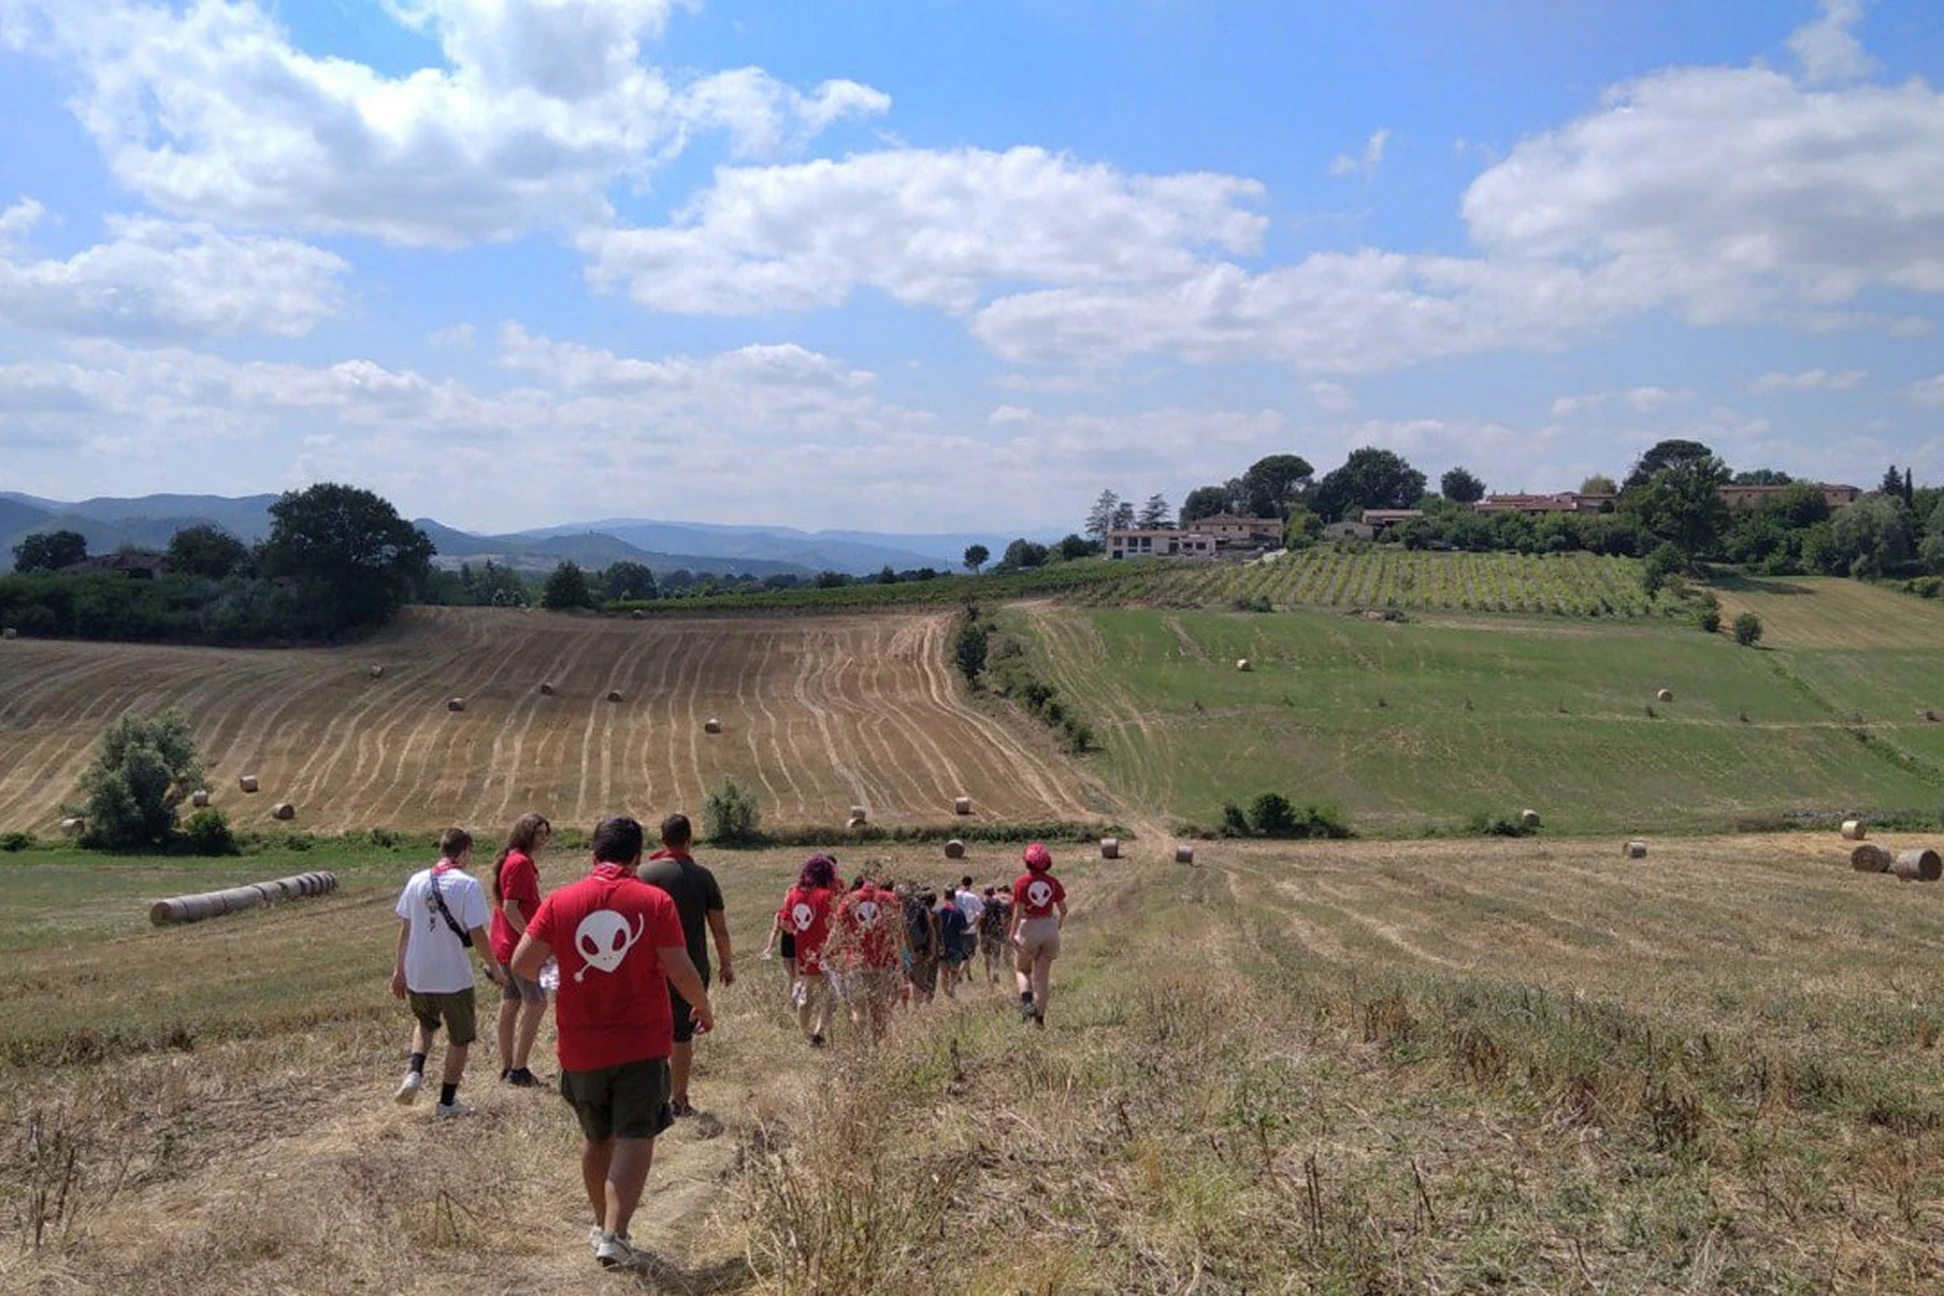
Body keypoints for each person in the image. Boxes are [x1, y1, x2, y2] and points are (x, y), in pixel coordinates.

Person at [511, 816, 715, 1271]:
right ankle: (615, 1235)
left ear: (593, 857)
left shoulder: (561, 901)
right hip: (640, 1041)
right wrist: (702, 1007)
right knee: (636, 1133)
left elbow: (523, 962)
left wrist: (560, 973)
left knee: (597, 1135)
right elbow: (680, 969)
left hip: (580, 1046)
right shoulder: (653, 901)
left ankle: (604, 1227)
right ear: (637, 858)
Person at [391, 827, 507, 1117]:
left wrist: (399, 970)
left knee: (425, 1023)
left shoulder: (416, 880)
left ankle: (414, 1072)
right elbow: (477, 933)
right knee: (460, 1038)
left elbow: (405, 931)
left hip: (418, 971)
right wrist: (494, 967)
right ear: (464, 851)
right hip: (453, 975)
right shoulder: (467, 885)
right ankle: (447, 1102)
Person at [636, 813, 732, 1117]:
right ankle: (678, 1099)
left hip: (648, 966)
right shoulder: (703, 876)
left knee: (648, 1030)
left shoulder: (642, 874)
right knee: (682, 1033)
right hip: (691, 966)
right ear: (689, 840)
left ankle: (649, 1096)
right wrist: (726, 965)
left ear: (662, 839)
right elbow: (719, 929)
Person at [489, 812, 553, 1087]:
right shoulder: (520, 864)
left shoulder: (512, 860)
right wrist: (532, 939)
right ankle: (519, 1068)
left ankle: (507, 1067)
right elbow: (510, 907)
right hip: (518, 947)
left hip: (504, 945)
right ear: (527, 834)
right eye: (540, 833)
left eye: (546, 834)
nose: (544, 839)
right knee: (536, 1002)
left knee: (511, 1003)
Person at [777, 854, 840, 1045]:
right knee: (830, 995)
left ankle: (805, 1034)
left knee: (806, 994)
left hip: (803, 952)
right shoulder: (828, 896)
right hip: (826, 953)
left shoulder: (794, 894)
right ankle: (818, 1033)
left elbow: (785, 924)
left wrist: (800, 930)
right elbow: (836, 925)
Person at [832, 871, 903, 1040]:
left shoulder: (849, 899)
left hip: (856, 962)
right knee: (879, 1009)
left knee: (858, 1008)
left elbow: (837, 930)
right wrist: (900, 961)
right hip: (882, 962)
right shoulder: (890, 899)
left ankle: (859, 1048)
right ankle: (877, 1047)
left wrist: (827, 952)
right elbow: (898, 933)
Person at [1009, 842, 1068, 1029]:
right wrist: (1057, 925)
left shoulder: (1021, 883)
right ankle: (1040, 1022)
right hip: (1049, 926)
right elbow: (1064, 910)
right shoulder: (1053, 882)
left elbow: (1018, 913)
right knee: (1042, 979)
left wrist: (1012, 935)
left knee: (1022, 970)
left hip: (1030, 927)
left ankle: (1027, 1003)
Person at [902, 887, 940, 1004]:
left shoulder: (914, 910)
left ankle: (913, 1009)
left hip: (913, 950)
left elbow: (930, 930)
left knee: (913, 981)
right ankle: (915, 1008)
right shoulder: (920, 909)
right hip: (915, 950)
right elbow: (932, 930)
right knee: (915, 981)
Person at [935, 888, 972, 999]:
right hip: (956, 946)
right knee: (954, 972)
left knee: (944, 973)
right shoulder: (959, 912)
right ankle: (952, 990)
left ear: (944, 896)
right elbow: (962, 929)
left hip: (942, 946)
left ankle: (947, 994)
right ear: (954, 897)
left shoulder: (938, 911)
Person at [978, 885, 1012, 985]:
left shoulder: (982, 902)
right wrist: (1003, 926)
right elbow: (1002, 917)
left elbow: (980, 915)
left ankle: (988, 976)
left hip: (984, 932)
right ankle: (995, 972)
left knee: (986, 955)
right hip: (996, 931)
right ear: (993, 893)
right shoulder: (998, 903)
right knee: (996, 954)